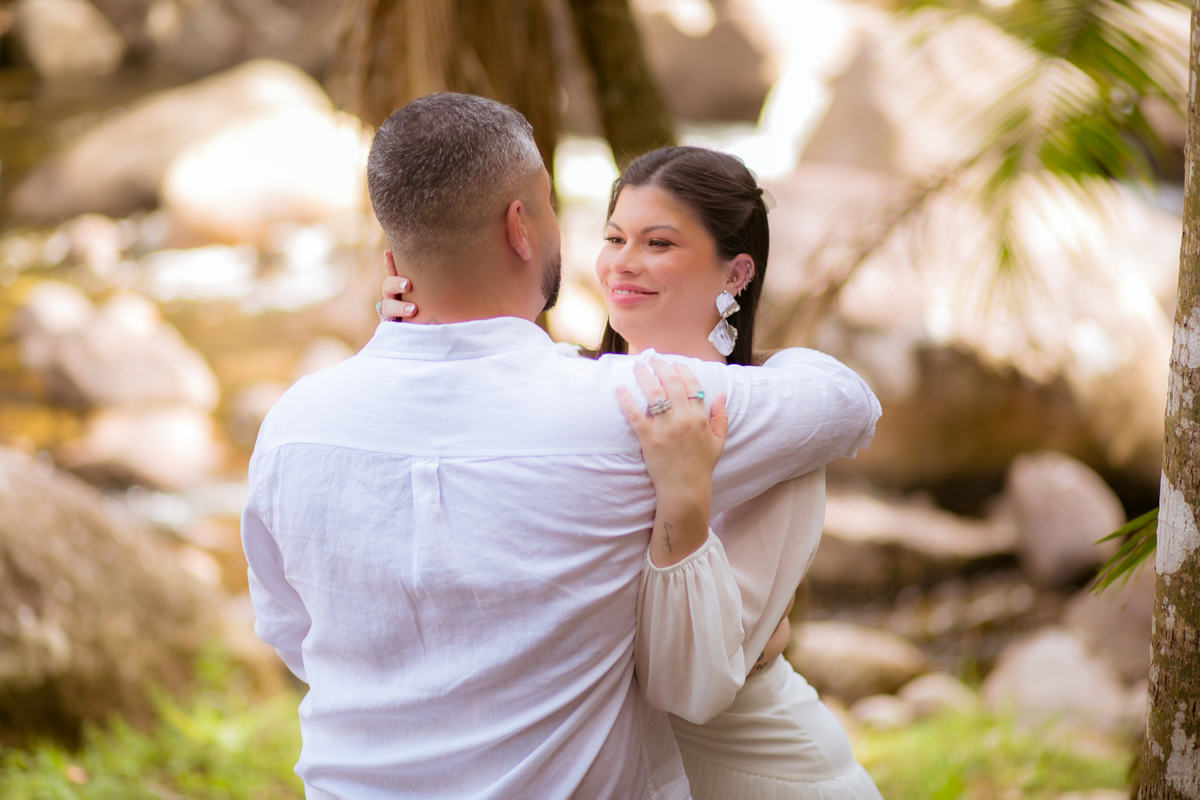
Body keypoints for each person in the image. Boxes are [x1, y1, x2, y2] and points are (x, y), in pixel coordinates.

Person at [245, 92, 880, 800]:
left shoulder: (290, 424)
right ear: (522, 227)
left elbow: (295, 633)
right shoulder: (608, 405)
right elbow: (847, 402)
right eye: (609, 234)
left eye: (658, 241)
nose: (619, 261)